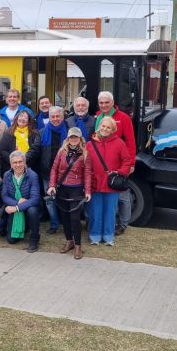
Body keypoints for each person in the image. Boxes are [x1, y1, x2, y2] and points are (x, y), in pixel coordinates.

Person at [86, 116, 134, 246]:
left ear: (113, 130)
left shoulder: (119, 143)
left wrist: (120, 172)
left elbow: (127, 160)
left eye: (108, 127)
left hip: (112, 184)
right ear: (99, 126)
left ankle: (108, 236)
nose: (105, 129)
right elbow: (84, 164)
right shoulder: (90, 144)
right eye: (103, 126)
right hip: (95, 183)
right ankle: (94, 235)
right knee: (95, 211)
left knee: (110, 211)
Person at [47, 127, 93, 259]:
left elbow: (87, 173)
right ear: (68, 138)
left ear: (80, 139)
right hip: (62, 188)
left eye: (76, 137)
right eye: (71, 137)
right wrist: (52, 185)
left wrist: (88, 190)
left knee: (74, 218)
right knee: (65, 217)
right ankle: (69, 241)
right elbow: (54, 169)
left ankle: (78, 245)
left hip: (76, 189)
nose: (73, 139)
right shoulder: (61, 151)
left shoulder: (84, 154)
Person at [95, 91, 136, 236]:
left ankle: (123, 224)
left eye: (107, 102)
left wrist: (130, 164)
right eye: (101, 103)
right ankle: (107, 222)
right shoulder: (97, 116)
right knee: (104, 195)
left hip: (119, 165)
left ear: (112, 103)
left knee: (122, 196)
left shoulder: (123, 118)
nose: (104, 105)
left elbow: (130, 141)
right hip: (102, 165)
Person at [2, 150, 42, 252]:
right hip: (16, 205)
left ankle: (34, 238)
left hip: (29, 206)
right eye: (15, 162)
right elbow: (5, 196)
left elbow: (35, 198)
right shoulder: (7, 175)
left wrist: (16, 208)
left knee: (32, 210)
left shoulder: (32, 175)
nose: (18, 165)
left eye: (20, 162)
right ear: (11, 164)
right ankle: (25, 227)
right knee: (11, 240)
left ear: (24, 163)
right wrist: (17, 203)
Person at [38, 106, 68, 234]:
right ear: (49, 118)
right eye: (53, 116)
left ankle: (65, 223)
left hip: (65, 173)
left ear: (62, 117)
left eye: (58, 116)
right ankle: (54, 224)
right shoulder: (41, 132)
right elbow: (36, 152)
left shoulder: (70, 133)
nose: (55, 119)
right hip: (47, 172)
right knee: (50, 200)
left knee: (64, 199)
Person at [0, 110, 40, 176]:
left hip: (30, 168)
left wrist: (24, 161)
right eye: (21, 116)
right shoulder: (9, 132)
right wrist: (14, 161)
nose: (22, 118)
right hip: (11, 169)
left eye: (25, 117)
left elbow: (35, 149)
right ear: (17, 118)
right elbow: (1, 149)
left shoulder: (34, 133)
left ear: (28, 121)